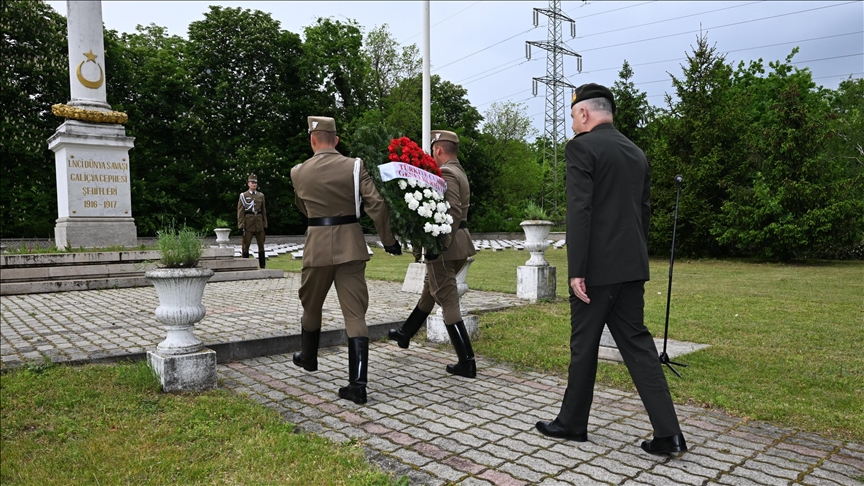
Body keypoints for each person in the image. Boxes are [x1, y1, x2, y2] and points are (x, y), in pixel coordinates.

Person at [535, 83, 687, 455]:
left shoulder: (581, 147)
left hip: (596, 271)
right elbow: (643, 212)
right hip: (631, 266)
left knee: (583, 345)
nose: (573, 124)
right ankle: (669, 434)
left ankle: (572, 424)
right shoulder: (636, 152)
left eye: (573, 116)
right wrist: (635, 257)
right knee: (638, 345)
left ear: (584, 112)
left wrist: (577, 270)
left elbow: (580, 210)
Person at [290, 116, 402, 404]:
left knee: (311, 305)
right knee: (355, 314)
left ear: (312, 139)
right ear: (336, 140)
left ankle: (309, 357)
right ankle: (357, 384)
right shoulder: (355, 166)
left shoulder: (298, 172)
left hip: (317, 246)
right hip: (351, 245)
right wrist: (388, 240)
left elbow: (302, 206)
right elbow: (377, 204)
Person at [388, 130, 478, 378]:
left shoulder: (447, 172)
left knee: (447, 299)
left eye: (432, 150)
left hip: (446, 246)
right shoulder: (459, 170)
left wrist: (439, 245)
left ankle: (467, 361)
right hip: (459, 244)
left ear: (438, 149)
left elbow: (454, 211)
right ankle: (405, 333)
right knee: (430, 289)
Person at [237, 173, 268, 269]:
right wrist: (241, 225)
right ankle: (246, 266)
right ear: (248, 184)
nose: (254, 184)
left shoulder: (260, 195)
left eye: (255, 183)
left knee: (261, 245)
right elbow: (240, 211)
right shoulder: (244, 195)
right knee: (246, 245)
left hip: (259, 223)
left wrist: (265, 224)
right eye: (252, 182)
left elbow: (263, 211)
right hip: (248, 223)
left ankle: (262, 265)